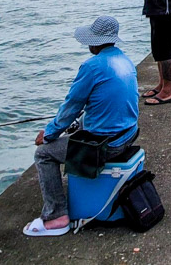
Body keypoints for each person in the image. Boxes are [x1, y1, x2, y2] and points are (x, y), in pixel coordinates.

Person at [23, 16, 138, 237]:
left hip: (107, 145)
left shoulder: (92, 66)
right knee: (81, 123)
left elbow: (71, 107)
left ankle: (56, 217)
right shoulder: (125, 60)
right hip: (128, 134)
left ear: (95, 42)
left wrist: (48, 134)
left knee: (44, 154)